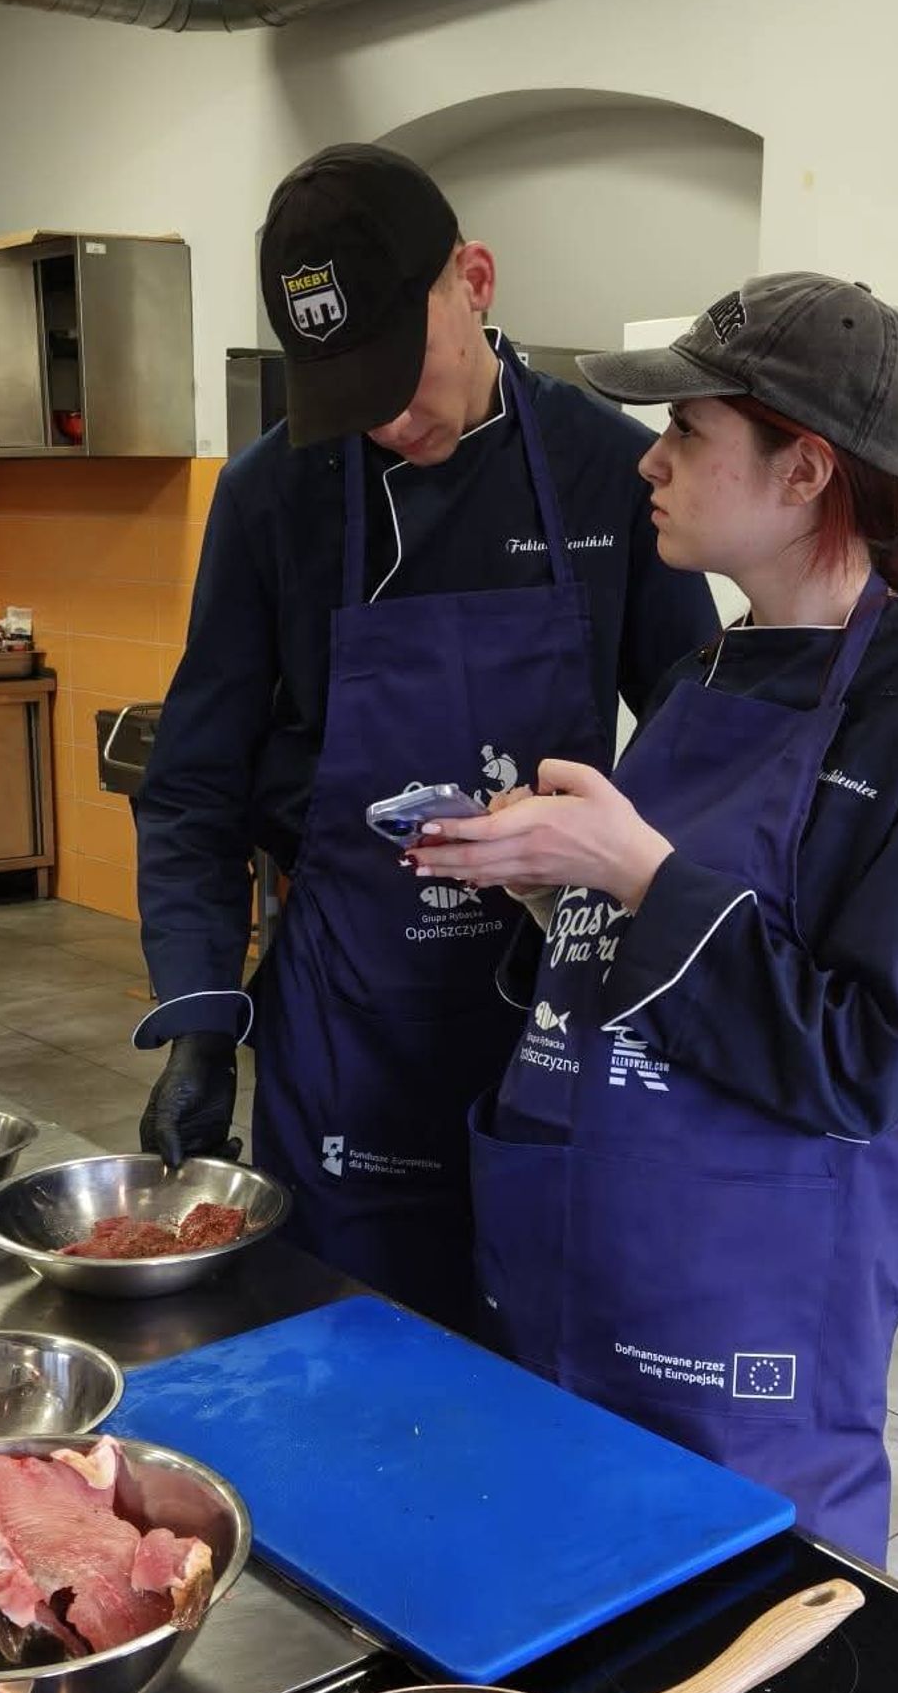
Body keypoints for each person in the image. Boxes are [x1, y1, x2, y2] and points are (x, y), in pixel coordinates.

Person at [409, 273, 898, 1560]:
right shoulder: (704, 669)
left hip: (741, 1318)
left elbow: (858, 1058)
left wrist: (640, 873)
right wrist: (554, 885)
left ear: (804, 470)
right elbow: (666, 946)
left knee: (734, 1626)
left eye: (688, 431)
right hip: (574, 1253)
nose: (651, 461)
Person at [135, 144, 718, 1327]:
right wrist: (197, 1019)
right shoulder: (272, 495)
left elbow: (692, 742)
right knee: (344, 1350)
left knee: (534, 1351)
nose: (391, 419)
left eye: (403, 373)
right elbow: (196, 782)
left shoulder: (607, 466)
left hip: (552, 1008)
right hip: (347, 1032)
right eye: (351, 391)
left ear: (476, 281)